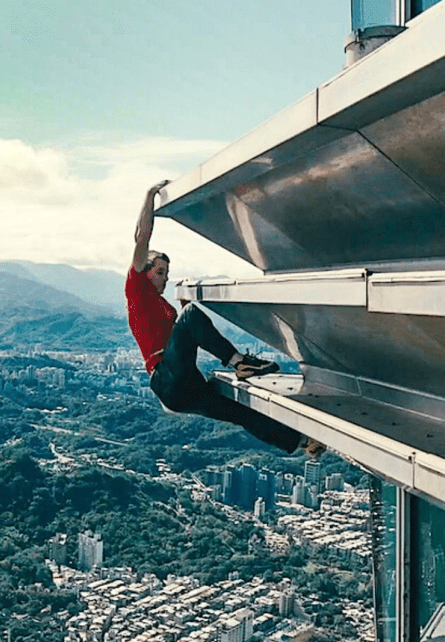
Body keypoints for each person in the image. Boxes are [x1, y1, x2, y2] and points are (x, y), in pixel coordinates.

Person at [125, 180, 325, 457]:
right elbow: (142, 238)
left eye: (166, 273)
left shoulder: (159, 305)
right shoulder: (136, 290)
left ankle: (303, 443)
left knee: (240, 410)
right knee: (191, 314)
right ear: (144, 271)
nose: (164, 278)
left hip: (184, 383)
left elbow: (178, 337)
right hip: (167, 377)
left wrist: (182, 310)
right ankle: (239, 363)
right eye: (159, 272)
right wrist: (149, 195)